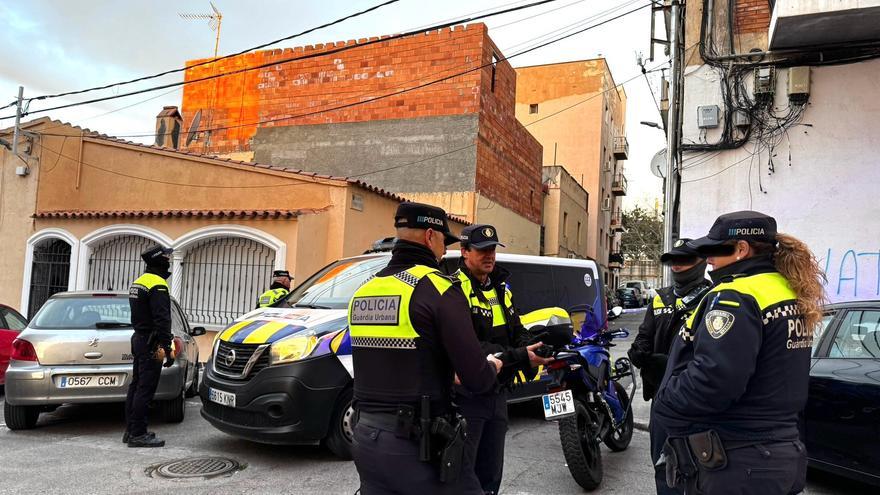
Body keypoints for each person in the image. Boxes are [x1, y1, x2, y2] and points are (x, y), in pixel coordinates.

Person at [652, 211, 825, 495]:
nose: (708, 259)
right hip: (778, 454)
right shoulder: (785, 290)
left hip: (738, 459)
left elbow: (714, 379)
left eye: (715, 250)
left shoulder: (735, 295)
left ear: (741, 249)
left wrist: (666, 405)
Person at [348, 202, 503, 495]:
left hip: (365, 440)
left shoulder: (364, 290)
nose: (444, 249)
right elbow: (477, 378)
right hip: (418, 448)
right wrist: (493, 366)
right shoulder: (438, 288)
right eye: (444, 240)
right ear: (431, 235)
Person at [453, 224, 552, 495]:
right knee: (464, 472)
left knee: (492, 471)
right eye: (482, 250)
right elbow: (471, 346)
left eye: (493, 249)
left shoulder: (501, 288)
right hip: (468, 395)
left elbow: (516, 331)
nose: (490, 256)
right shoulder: (454, 290)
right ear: (464, 252)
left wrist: (532, 347)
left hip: (497, 393)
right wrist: (520, 356)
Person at [627, 238, 711, 495]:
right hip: (661, 397)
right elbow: (645, 334)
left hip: (694, 401)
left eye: (685, 259)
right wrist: (639, 351)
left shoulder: (712, 297)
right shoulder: (660, 297)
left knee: (696, 467)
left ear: (701, 262)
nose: (677, 265)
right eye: (675, 259)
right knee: (663, 465)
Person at [125, 245, 175, 448]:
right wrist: (167, 348)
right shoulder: (158, 285)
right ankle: (138, 434)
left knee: (136, 386)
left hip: (139, 338)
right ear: (159, 261)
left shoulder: (139, 283)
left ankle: (131, 430)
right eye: (166, 258)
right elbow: (163, 320)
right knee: (146, 388)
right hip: (152, 344)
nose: (169, 261)